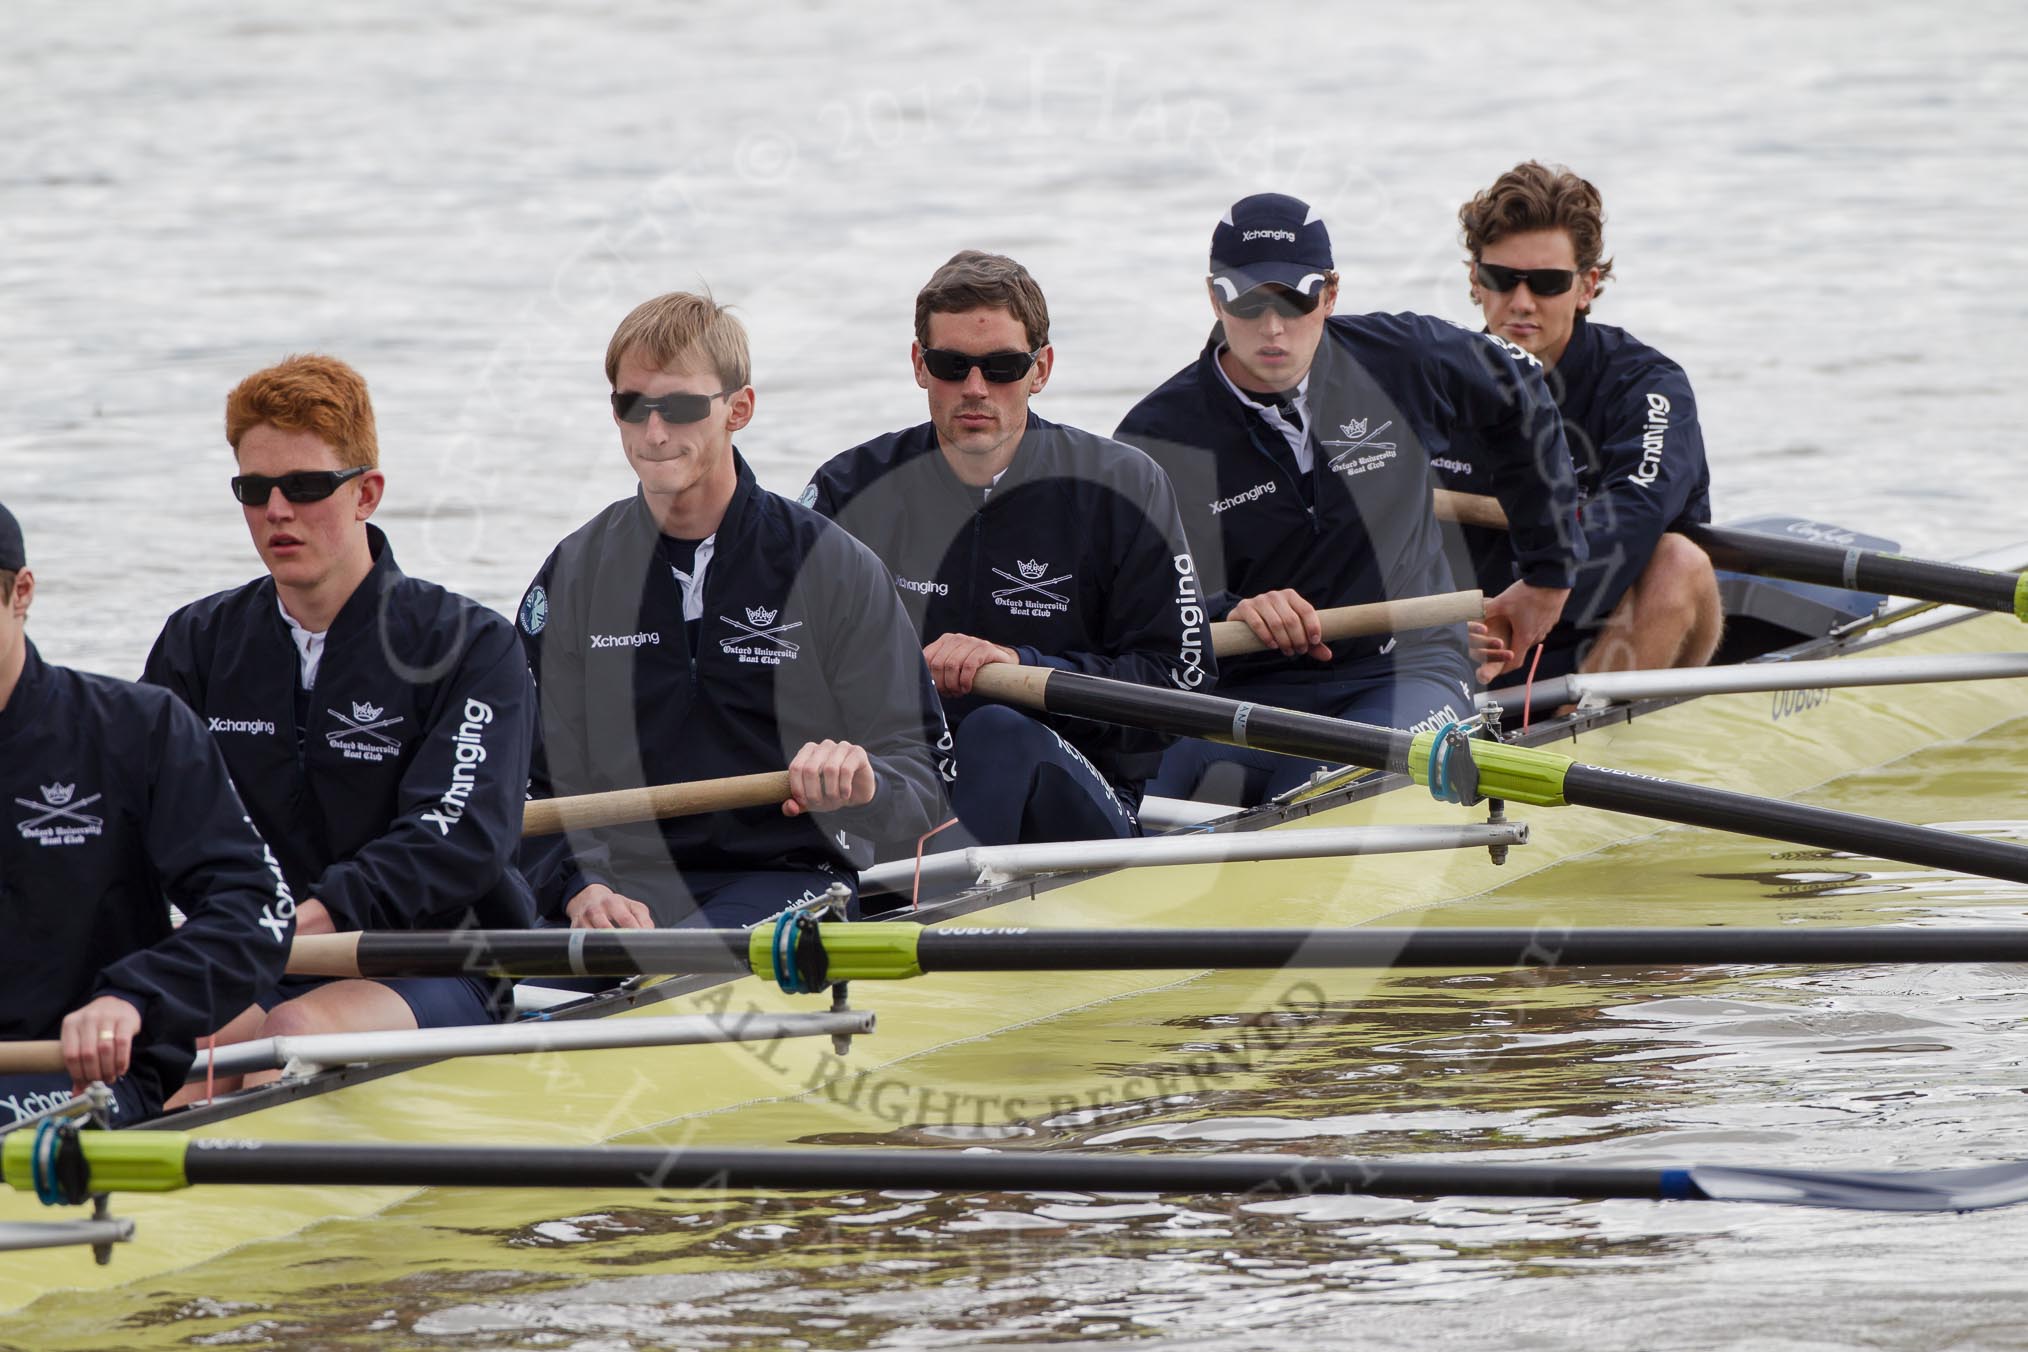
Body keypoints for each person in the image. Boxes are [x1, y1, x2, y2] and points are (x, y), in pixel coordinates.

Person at [1114, 193, 1584, 805]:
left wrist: (1549, 573)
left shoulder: (1403, 360)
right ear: (1214, 297)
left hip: (1407, 667)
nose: (1273, 327)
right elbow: (1133, 607)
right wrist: (1231, 608)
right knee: (1130, 788)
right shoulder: (1157, 437)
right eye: (1246, 301)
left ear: (1330, 294)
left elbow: (1520, 388)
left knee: (1317, 789)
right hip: (1246, 685)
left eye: (1296, 298)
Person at [144, 355, 538, 1068]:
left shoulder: (469, 646)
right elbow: (150, 821)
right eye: (254, 488)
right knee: (159, 1050)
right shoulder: (197, 645)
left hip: (433, 961)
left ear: (367, 494)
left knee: (287, 1039)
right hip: (262, 953)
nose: (277, 511)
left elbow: (455, 839)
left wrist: (305, 921)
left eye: (304, 486)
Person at [518, 291, 949, 929]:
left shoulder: (832, 566)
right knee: (499, 986)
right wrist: (581, 886)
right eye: (632, 406)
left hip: (786, 875)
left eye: (683, 407)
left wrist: (866, 785)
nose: (655, 433)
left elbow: (924, 778)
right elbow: (527, 783)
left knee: (684, 966)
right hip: (618, 889)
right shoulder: (576, 572)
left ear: (738, 409)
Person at [804, 250, 1209, 845]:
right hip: (897, 790)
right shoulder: (848, 489)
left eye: (1001, 367)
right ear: (919, 365)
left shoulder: (1122, 487)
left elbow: (1184, 681)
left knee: (998, 729)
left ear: (1039, 369)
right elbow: (783, 670)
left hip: (1074, 788)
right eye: (951, 364)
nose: (974, 389)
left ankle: (932, 910)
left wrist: (1022, 666)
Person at [0, 502, 294, 1126]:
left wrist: (135, 996)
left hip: (79, 1072)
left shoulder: (138, 730)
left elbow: (256, 908)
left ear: (20, 592)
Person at [1449, 161, 1720, 682]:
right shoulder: (1434, 375)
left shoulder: (1646, 386)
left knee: (1679, 561)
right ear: (1475, 281)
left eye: (1548, 283)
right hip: (1477, 637)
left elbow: (1635, 511)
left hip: (1605, 636)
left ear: (1586, 286)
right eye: (1502, 279)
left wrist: (1538, 591)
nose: (1522, 303)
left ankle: (1589, 724)